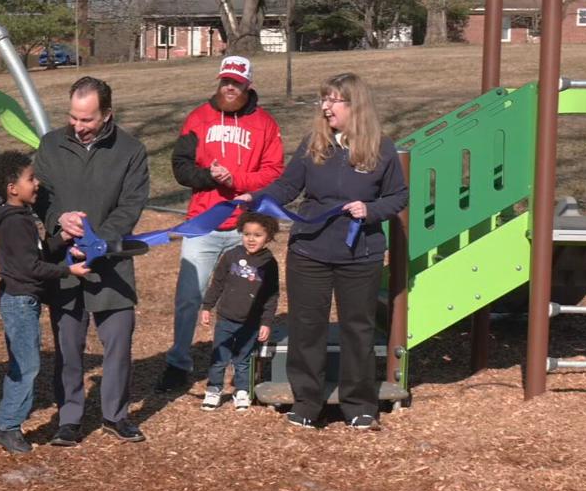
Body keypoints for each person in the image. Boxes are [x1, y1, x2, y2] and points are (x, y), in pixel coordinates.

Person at [238, 73, 408, 430]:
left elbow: (398, 196)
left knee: (358, 330)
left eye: (334, 100)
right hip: (310, 251)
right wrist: (256, 199)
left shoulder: (382, 148)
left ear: (355, 105)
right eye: (324, 100)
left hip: (360, 254)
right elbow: (287, 185)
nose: (326, 107)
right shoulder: (313, 144)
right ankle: (307, 403)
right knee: (306, 327)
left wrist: (370, 210)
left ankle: (360, 404)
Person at [156, 55, 284, 393]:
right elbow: (180, 166)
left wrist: (239, 180)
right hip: (204, 223)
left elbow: (274, 171)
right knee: (189, 296)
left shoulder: (266, 124)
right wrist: (210, 178)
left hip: (247, 228)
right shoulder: (198, 118)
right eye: (225, 80)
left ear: (248, 85)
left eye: (237, 82)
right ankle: (178, 362)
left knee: (251, 296)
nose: (230, 87)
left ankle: (244, 363)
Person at [33, 76, 150, 446]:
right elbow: (41, 197)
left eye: (87, 119)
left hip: (112, 262)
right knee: (68, 346)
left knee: (118, 344)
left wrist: (98, 242)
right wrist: (58, 221)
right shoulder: (50, 145)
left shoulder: (131, 149)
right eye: (74, 118)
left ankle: (116, 415)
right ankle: (69, 418)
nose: (78, 126)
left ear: (107, 114)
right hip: (65, 263)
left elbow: (131, 204)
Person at [0, 151, 90, 454]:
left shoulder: (19, 217)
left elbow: (37, 255)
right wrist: (70, 270)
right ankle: (7, 426)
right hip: (19, 302)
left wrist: (63, 238)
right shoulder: (16, 223)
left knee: (23, 363)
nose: (37, 183)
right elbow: (32, 267)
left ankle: (7, 423)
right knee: (27, 366)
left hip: (22, 300)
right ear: (12, 188)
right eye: (31, 178)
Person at [200, 212, 279, 412]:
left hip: (251, 322)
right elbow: (217, 284)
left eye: (257, 235)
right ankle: (214, 389)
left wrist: (266, 322)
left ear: (268, 237)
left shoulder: (269, 263)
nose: (251, 239)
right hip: (226, 318)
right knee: (219, 358)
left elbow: (271, 296)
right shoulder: (231, 256)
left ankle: (242, 391)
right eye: (247, 234)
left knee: (243, 360)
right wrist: (207, 307)